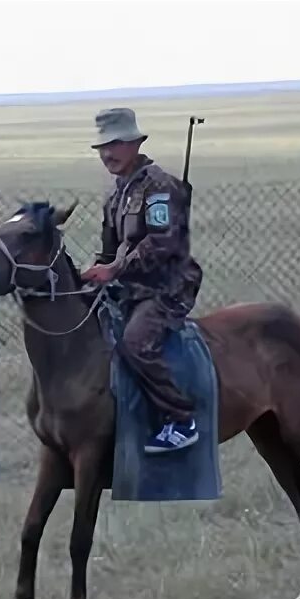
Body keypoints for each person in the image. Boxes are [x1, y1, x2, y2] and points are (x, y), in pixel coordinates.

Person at [80, 107, 204, 454]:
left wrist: (114, 271)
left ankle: (180, 420)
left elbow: (161, 243)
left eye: (116, 144)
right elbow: (107, 252)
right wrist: (90, 274)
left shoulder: (159, 187)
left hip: (166, 287)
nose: (108, 154)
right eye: (102, 147)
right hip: (128, 287)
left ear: (135, 143)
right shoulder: (116, 195)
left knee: (136, 342)